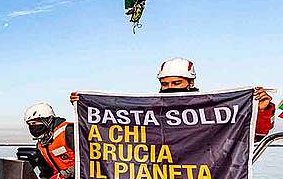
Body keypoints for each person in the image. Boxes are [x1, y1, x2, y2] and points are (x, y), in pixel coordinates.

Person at [71, 58, 276, 138]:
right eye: (165, 84)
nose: (170, 88)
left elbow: (253, 135)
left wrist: (262, 110)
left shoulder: (212, 110)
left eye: (176, 83)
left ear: (191, 83)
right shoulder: (151, 112)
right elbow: (117, 131)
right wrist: (87, 109)